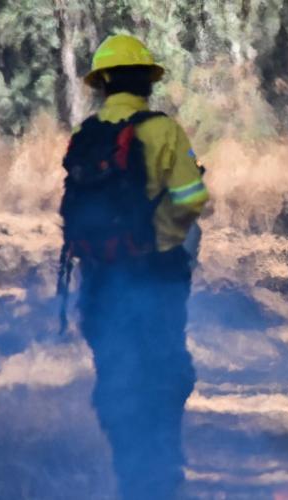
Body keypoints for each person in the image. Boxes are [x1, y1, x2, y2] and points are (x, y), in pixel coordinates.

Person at [60, 34, 209, 499]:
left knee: (116, 372)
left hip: (100, 279)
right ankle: (161, 474)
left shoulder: (86, 135)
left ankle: (129, 472)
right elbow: (192, 198)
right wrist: (164, 230)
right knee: (164, 371)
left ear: (102, 83)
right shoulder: (162, 130)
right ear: (148, 81)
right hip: (156, 274)